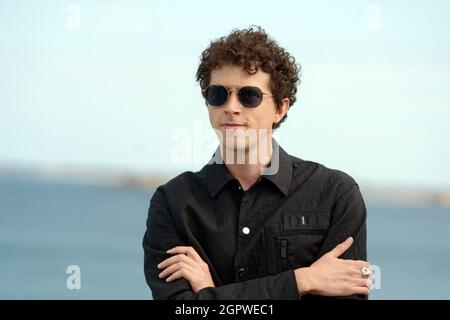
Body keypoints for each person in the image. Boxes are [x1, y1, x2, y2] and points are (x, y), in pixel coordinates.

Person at [142, 26, 371, 300]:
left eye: (249, 95)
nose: (231, 107)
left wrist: (209, 294)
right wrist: (302, 280)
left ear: (280, 109)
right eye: (218, 94)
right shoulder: (173, 203)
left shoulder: (335, 195)